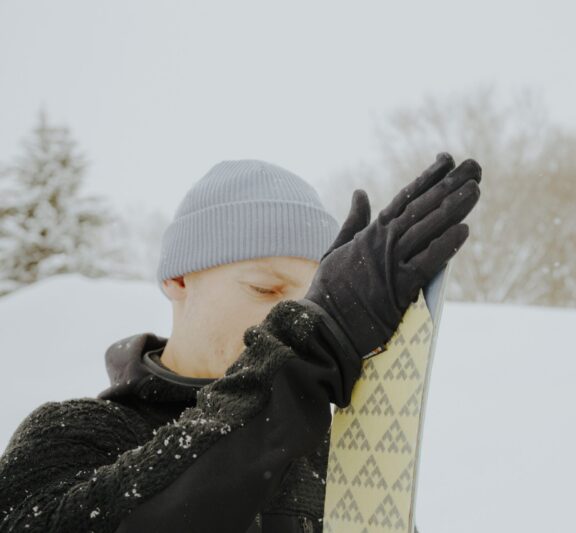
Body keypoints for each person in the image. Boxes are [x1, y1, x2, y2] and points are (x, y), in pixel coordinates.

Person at [0, 153, 482, 532]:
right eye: (266, 290)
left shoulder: (331, 451)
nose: (286, 318)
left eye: (310, 300)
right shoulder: (72, 434)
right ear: (179, 280)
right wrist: (310, 353)